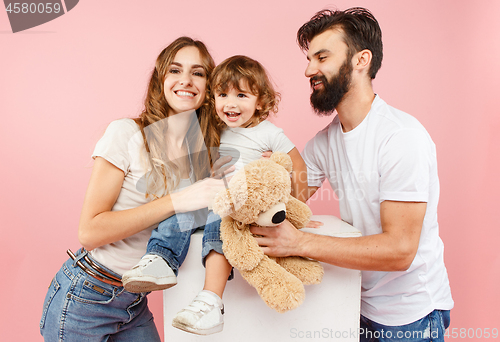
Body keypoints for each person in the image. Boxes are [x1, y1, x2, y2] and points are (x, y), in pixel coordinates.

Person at [250, 8, 454, 342]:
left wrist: (299, 243)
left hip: (411, 318)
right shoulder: (325, 142)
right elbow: (282, 202)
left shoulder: (401, 137)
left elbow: (401, 250)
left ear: (361, 60)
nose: (308, 70)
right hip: (355, 307)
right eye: (309, 58)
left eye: (322, 57)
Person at [39, 36, 229, 341]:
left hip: (134, 302)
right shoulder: (127, 134)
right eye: (175, 70)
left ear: (209, 85)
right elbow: (90, 232)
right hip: (85, 296)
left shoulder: (204, 153)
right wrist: (176, 200)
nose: (186, 80)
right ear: (160, 79)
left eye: (198, 72)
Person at [122, 55, 308, 336]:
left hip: (239, 207)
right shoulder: (214, 128)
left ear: (261, 101)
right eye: (222, 95)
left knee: (216, 230)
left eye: (241, 95)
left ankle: (210, 300)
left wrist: (292, 206)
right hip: (211, 195)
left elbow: (297, 168)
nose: (230, 104)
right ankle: (160, 260)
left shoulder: (269, 133)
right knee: (180, 212)